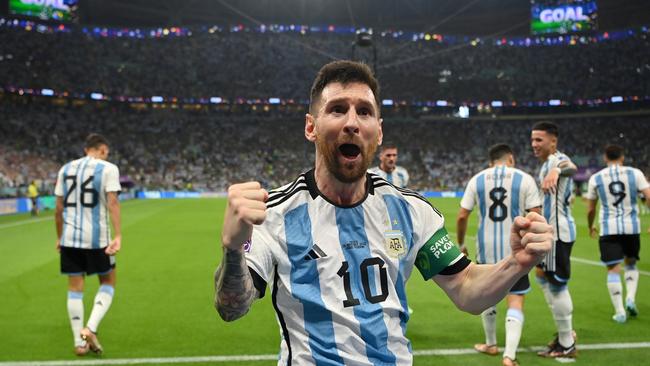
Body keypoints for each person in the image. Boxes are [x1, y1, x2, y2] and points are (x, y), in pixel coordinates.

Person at [213, 60, 553, 365]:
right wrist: (233, 249)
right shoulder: (275, 213)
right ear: (311, 127)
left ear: (379, 129)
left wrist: (515, 264)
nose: (351, 123)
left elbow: (465, 288)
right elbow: (232, 307)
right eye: (336, 109)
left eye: (364, 111)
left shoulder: (410, 211)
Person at [457, 144, 542, 366]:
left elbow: (462, 216)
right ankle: (509, 356)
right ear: (511, 158)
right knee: (516, 299)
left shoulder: (477, 179)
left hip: (485, 248)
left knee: (488, 295)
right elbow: (536, 217)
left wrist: (461, 243)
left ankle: (491, 344)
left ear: (490, 160)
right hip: (515, 250)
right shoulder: (524, 179)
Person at [54, 133, 122, 356]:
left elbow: (58, 208)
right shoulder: (108, 168)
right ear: (102, 150)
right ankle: (90, 328)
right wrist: (118, 235)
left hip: (70, 238)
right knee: (109, 280)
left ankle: (79, 342)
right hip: (97, 240)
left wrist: (60, 236)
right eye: (107, 152)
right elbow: (112, 202)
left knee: (75, 288)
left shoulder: (65, 169)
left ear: (86, 149)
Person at [585, 144, 650, 323]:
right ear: (622, 158)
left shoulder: (595, 178)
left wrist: (591, 226)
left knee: (613, 268)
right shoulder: (635, 173)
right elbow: (649, 196)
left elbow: (590, 209)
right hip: (632, 227)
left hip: (608, 228)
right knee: (631, 263)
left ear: (605, 158)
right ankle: (630, 297)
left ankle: (620, 311)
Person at [530, 121, 578, 358]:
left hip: (558, 235)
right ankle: (564, 333)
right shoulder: (546, 164)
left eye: (539, 140)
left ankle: (567, 343)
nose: (534, 145)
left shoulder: (557, 159)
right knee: (542, 277)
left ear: (553, 141)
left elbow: (571, 166)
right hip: (549, 234)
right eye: (532, 140)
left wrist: (558, 170)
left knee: (557, 285)